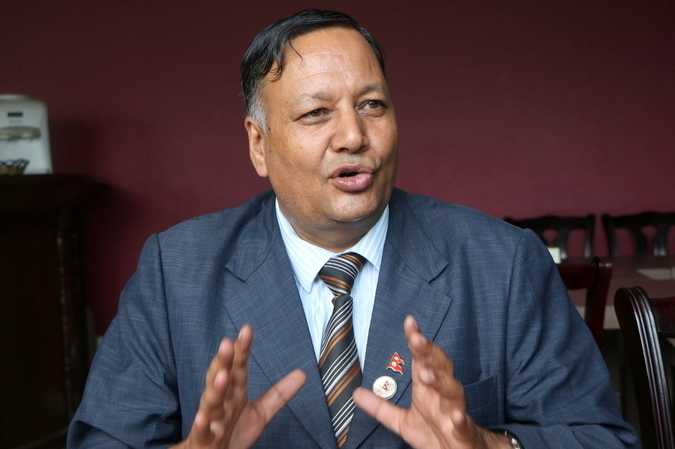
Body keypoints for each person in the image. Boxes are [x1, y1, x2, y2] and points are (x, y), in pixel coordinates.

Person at [68, 9, 639, 449]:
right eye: (316, 113)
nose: (353, 136)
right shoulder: (175, 273)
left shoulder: (504, 263)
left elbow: (602, 439)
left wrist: (489, 445)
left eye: (372, 105)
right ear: (259, 145)